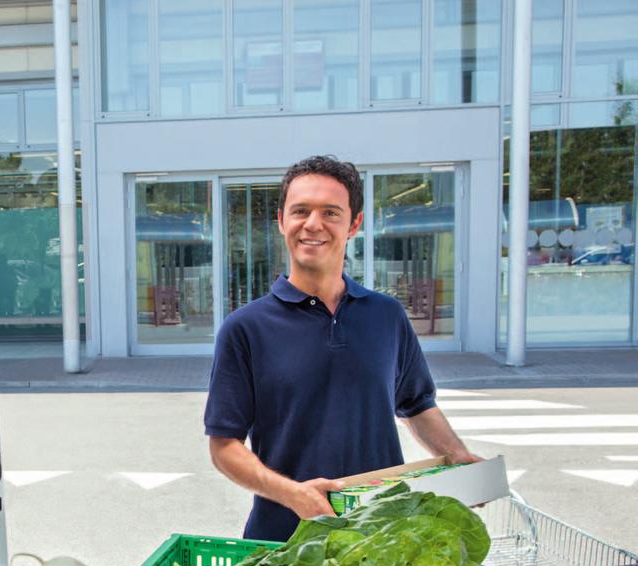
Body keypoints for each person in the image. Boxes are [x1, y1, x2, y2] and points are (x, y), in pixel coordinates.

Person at [204, 155, 477, 542]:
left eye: (330, 212)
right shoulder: (245, 329)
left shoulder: (386, 315)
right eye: (301, 211)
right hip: (282, 541)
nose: (313, 224)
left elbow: (417, 405)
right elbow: (224, 446)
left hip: (382, 536)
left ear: (354, 224)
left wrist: (457, 456)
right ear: (282, 220)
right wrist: (294, 495)